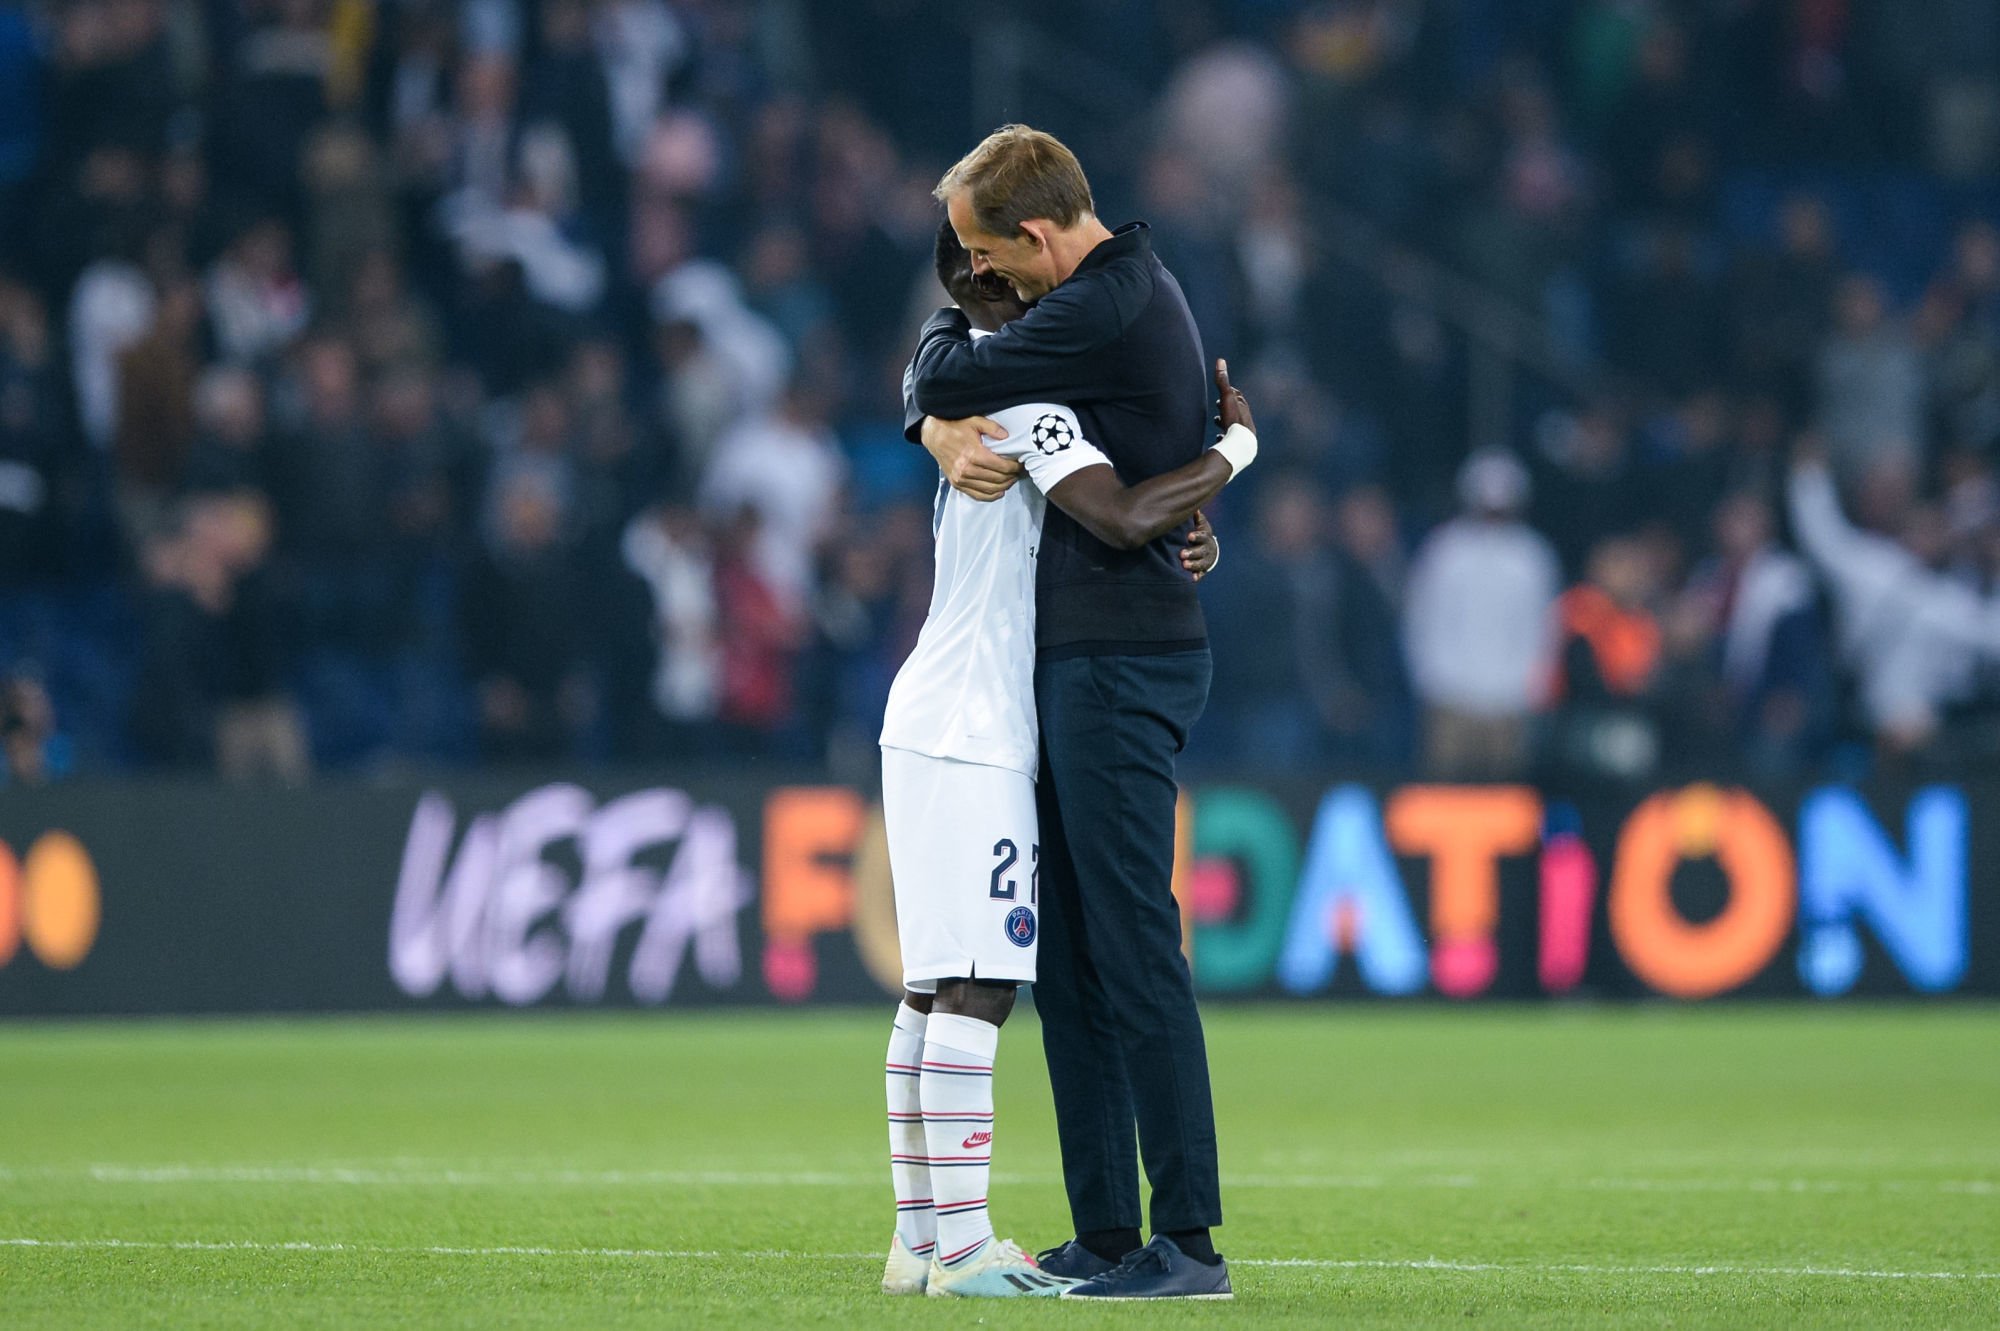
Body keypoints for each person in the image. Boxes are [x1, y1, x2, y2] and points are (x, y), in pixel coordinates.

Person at [882, 218, 1251, 1300]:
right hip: (984, 719)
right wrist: (1233, 453)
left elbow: (937, 370)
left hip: (946, 705)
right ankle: (966, 1249)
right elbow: (1124, 516)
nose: (1052, 309)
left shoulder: (973, 396)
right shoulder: (1029, 405)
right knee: (983, 980)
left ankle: (928, 1240)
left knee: (946, 981)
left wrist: (930, 418)